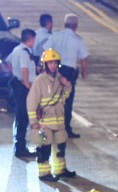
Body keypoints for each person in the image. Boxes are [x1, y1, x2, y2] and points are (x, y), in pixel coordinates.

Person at [26, 49, 76, 183]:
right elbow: (31, 102)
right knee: (44, 148)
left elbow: (64, 97)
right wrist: (33, 122)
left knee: (61, 146)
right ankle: (44, 173)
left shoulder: (60, 79)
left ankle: (60, 169)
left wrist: (67, 85)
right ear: (45, 65)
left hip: (59, 121)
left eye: (55, 62)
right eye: (50, 63)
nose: (53, 65)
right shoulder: (40, 81)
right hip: (44, 123)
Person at [47, 14, 89, 139]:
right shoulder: (77, 40)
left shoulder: (54, 36)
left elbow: (45, 50)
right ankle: (65, 128)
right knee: (67, 102)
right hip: (69, 73)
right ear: (76, 26)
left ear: (65, 24)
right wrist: (84, 71)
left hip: (53, 70)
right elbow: (84, 58)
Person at [6, 28, 36, 159]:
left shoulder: (16, 49)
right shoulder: (24, 52)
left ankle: (20, 146)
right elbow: (25, 70)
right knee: (23, 118)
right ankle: (20, 149)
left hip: (18, 86)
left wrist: (14, 73)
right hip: (23, 88)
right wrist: (28, 86)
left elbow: (8, 62)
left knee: (20, 117)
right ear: (30, 39)